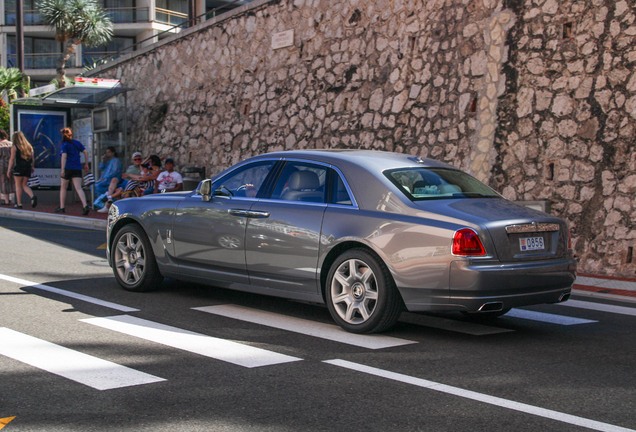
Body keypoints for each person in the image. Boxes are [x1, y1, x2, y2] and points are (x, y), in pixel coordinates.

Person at [98, 155, 163, 213]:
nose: (149, 163)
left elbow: (147, 178)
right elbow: (143, 175)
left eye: (150, 161)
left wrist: (135, 179)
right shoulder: (149, 170)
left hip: (148, 186)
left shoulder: (159, 171)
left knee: (130, 185)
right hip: (142, 184)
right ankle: (115, 201)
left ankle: (112, 199)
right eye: (135, 159)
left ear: (153, 162)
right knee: (127, 187)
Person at [56, 127, 89, 215]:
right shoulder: (77, 143)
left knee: (63, 187)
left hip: (68, 168)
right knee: (78, 188)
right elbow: (86, 152)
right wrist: (86, 164)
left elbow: (64, 156)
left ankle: (62, 207)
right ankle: (85, 205)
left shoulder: (64, 144)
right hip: (77, 168)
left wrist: (62, 169)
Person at [7, 131, 37, 209]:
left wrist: (9, 169)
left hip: (19, 168)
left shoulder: (15, 147)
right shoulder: (29, 146)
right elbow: (32, 158)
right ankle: (32, 196)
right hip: (28, 168)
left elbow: (12, 159)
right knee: (24, 185)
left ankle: (19, 204)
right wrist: (32, 167)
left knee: (18, 185)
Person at [0, 130, 15, 205]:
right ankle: (14, 199)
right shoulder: (11, 144)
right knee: (13, 181)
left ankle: (6, 200)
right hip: (12, 165)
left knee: (3, 182)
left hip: (2, 166)